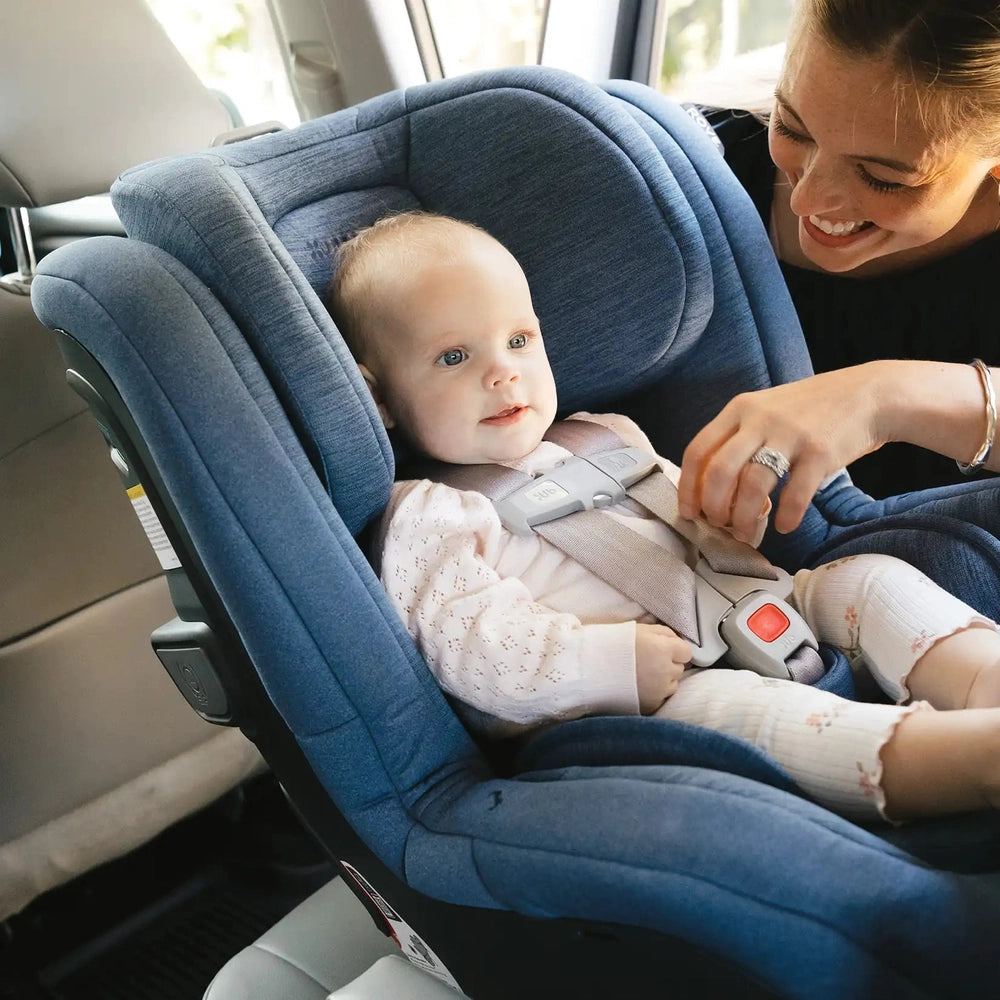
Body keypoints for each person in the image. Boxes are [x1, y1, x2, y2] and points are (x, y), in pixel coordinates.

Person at [325, 209, 1000, 825]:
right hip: (647, 698)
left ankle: (980, 679)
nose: (503, 373)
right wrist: (607, 662)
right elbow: (471, 648)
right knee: (755, 717)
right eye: (454, 357)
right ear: (379, 398)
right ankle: (969, 761)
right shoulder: (431, 514)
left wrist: (728, 523)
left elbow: (688, 524)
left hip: (749, 605)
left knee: (869, 580)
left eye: (519, 339)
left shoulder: (606, 434)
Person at [696, 0, 1000, 499]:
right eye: (791, 127)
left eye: (881, 179)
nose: (805, 198)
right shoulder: (692, 168)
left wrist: (883, 398)